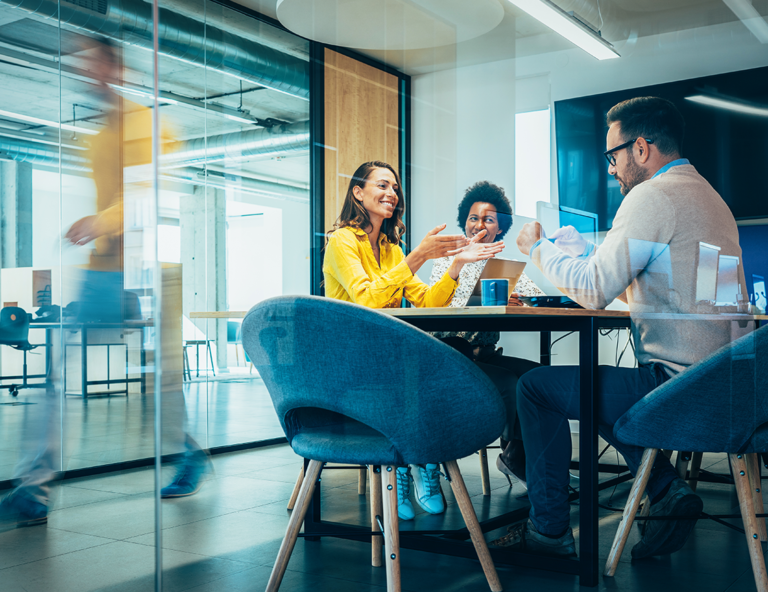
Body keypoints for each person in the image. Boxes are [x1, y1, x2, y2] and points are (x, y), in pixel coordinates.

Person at [511, 97, 747, 558]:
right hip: (726, 385)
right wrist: (583, 257)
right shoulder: (709, 198)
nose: (611, 169)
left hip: (678, 389)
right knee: (598, 385)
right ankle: (665, 491)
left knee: (536, 388)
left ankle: (549, 533)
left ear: (641, 148)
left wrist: (538, 247)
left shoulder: (652, 196)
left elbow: (594, 291)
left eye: (612, 157)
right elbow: (682, 297)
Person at [323, 161, 504, 520]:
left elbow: (428, 301)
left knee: (448, 355)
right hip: (353, 357)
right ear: (358, 192)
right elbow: (366, 300)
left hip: (388, 352)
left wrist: (455, 266)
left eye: (395, 188)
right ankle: (414, 460)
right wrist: (419, 255)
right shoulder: (342, 240)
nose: (392, 194)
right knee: (428, 366)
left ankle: (419, 460)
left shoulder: (391, 247)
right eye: (382, 186)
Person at [428, 181, 545, 488]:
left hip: (486, 355)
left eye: (488, 219)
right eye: (473, 218)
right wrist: (490, 300)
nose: (479, 224)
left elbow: (535, 298)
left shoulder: (502, 265)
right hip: (450, 355)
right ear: (464, 223)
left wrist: (522, 299)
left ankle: (521, 456)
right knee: (512, 383)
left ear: (499, 229)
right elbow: (447, 306)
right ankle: (512, 456)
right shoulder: (447, 260)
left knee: (539, 377)